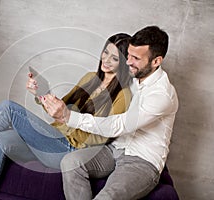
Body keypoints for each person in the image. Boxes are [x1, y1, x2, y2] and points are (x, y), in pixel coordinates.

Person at [0, 33, 132, 200]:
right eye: (106, 52)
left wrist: (70, 120)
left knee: (8, 108)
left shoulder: (123, 95)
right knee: (0, 140)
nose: (106, 60)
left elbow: (105, 135)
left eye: (115, 57)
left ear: (124, 62)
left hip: (71, 150)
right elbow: (61, 107)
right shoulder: (90, 77)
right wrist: (41, 93)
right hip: (53, 137)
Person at [41, 25, 179, 200]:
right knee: (71, 162)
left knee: (107, 197)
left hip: (142, 160)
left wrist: (68, 117)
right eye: (128, 55)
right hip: (114, 149)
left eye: (136, 58)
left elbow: (119, 125)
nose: (128, 62)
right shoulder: (133, 79)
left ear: (156, 61)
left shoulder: (162, 95)